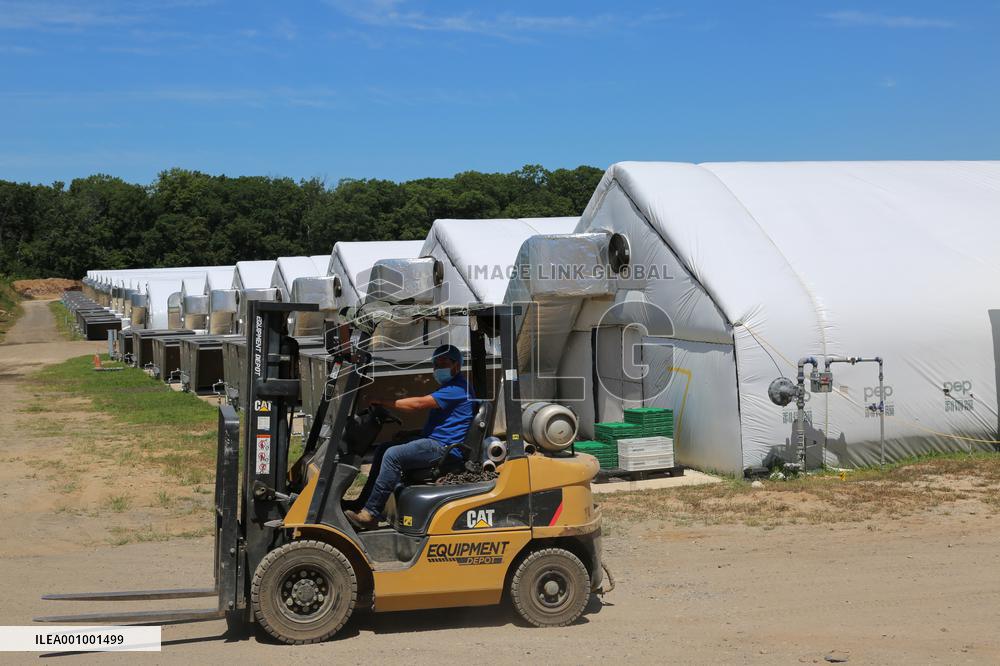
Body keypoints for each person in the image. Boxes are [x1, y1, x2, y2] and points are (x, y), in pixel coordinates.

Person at [345, 344, 474, 530]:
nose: (438, 368)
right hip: (437, 442)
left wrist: (382, 401)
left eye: (443, 363)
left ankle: (371, 514)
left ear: (457, 365)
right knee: (382, 450)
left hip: (443, 448)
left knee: (393, 455)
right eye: (436, 364)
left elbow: (419, 404)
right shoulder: (451, 388)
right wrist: (412, 433)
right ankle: (363, 504)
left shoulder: (458, 389)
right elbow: (442, 426)